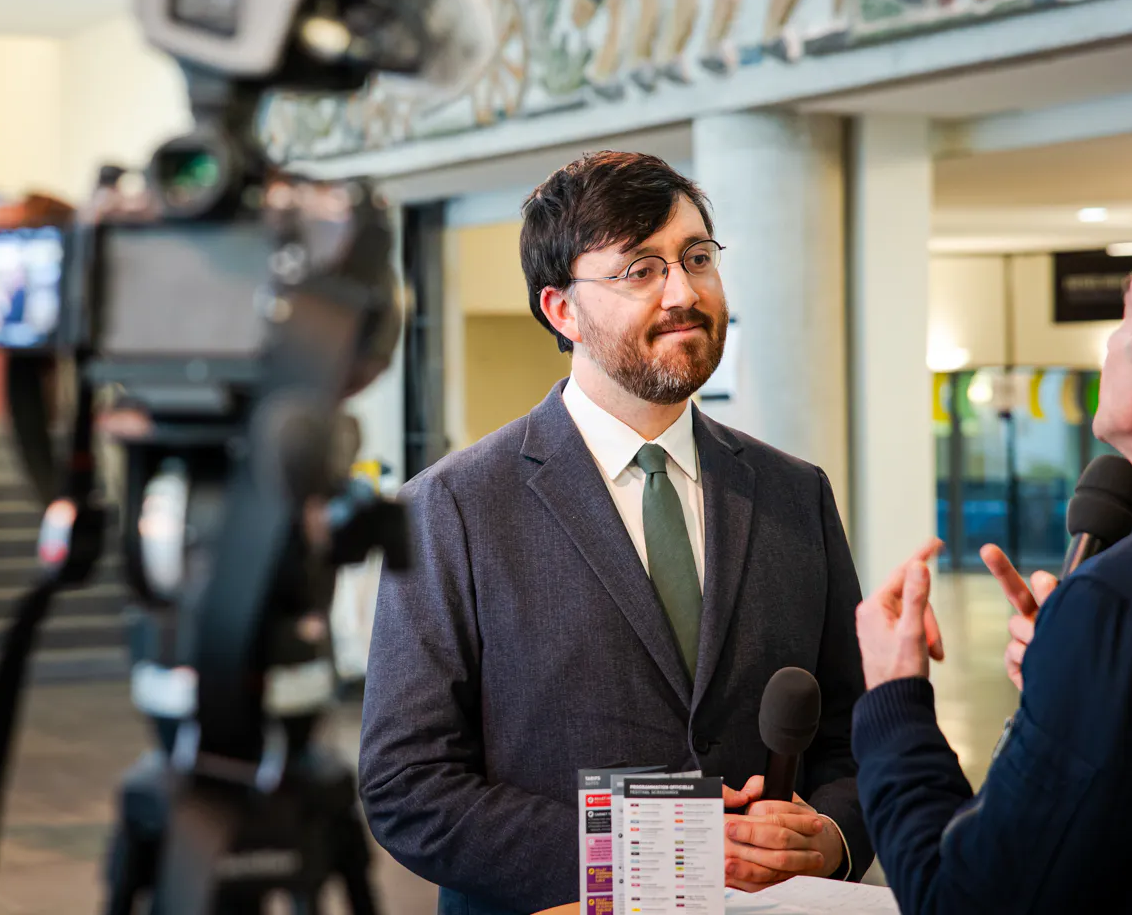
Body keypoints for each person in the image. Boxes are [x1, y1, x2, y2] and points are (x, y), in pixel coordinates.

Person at [360, 152, 880, 915]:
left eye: (697, 258)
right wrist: (662, 855)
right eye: (640, 270)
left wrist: (831, 835)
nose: (684, 292)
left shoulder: (793, 493)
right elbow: (409, 785)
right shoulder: (453, 508)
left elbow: (857, 731)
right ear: (561, 309)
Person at [852, 212, 1132, 913]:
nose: (1112, 345)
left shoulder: (1129, 602)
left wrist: (894, 696)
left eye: (1125, 316)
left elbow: (969, 901)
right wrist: (1071, 675)